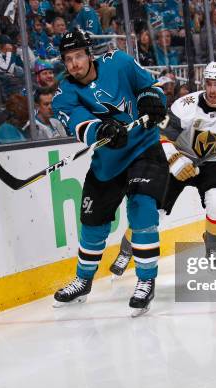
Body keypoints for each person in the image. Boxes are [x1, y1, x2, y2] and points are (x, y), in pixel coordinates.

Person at [51, 29, 168, 316]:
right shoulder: (63, 94)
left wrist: (152, 100)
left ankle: (145, 280)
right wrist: (100, 129)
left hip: (144, 150)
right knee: (92, 223)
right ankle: (83, 280)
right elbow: (80, 125)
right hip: (108, 163)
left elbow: (152, 87)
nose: (74, 64)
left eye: (78, 56)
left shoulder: (119, 62)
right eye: (68, 59)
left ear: (90, 54)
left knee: (142, 209)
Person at [109, 62, 216, 277]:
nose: (213, 90)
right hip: (178, 159)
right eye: (209, 83)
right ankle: (126, 250)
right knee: (152, 212)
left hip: (212, 163)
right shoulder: (184, 105)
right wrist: (175, 160)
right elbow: (159, 135)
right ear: (203, 83)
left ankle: (214, 250)